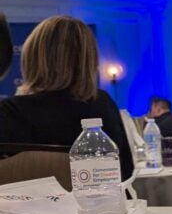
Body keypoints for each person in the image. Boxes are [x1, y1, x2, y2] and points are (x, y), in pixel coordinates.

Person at [0, 15, 133, 180]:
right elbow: (126, 171)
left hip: (31, 205)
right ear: (88, 61)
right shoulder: (102, 103)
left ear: (32, 57)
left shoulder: (10, 111)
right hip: (101, 203)